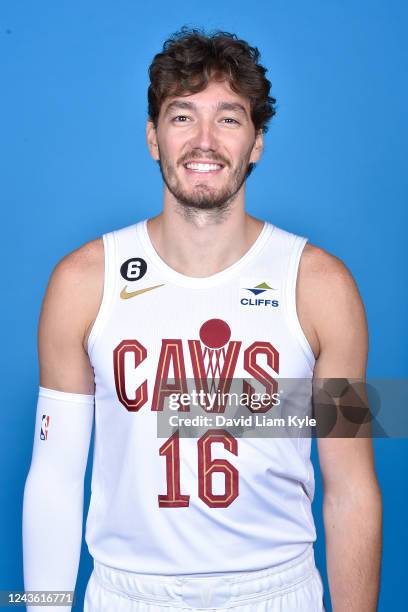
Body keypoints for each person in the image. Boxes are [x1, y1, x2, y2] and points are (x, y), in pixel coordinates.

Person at [22, 27, 382, 611]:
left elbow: (351, 487)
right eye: (183, 117)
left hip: (277, 590)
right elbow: (54, 481)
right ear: (153, 137)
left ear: (257, 141)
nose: (205, 141)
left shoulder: (322, 287)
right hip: (127, 593)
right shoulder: (83, 282)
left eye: (230, 119)